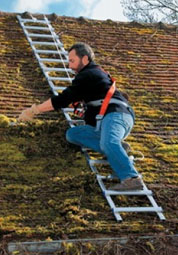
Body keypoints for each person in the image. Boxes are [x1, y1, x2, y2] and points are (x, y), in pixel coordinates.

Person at [18, 42, 142, 191]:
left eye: (72, 61)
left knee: (109, 142)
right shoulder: (90, 80)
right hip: (105, 121)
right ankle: (119, 149)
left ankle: (131, 177)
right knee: (73, 134)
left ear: (84, 59)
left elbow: (62, 100)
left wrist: (35, 110)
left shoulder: (89, 74)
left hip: (116, 115)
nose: (70, 66)